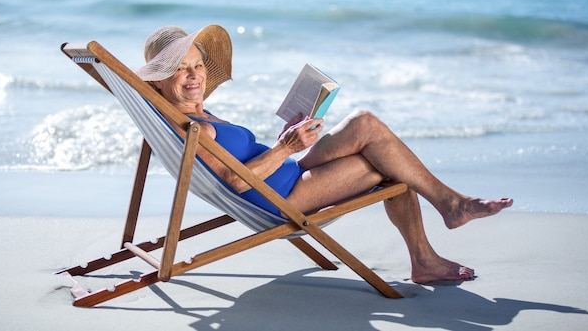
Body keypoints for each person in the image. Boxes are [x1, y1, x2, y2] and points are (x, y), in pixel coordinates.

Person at [136, 24, 513, 284]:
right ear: (160, 79)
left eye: (197, 65)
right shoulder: (191, 127)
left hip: (286, 174)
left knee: (365, 123)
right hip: (283, 198)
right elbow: (236, 181)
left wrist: (288, 141)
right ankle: (442, 225)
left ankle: (447, 215)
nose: (194, 75)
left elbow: (240, 165)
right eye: (179, 69)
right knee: (387, 163)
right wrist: (287, 146)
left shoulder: (196, 115)